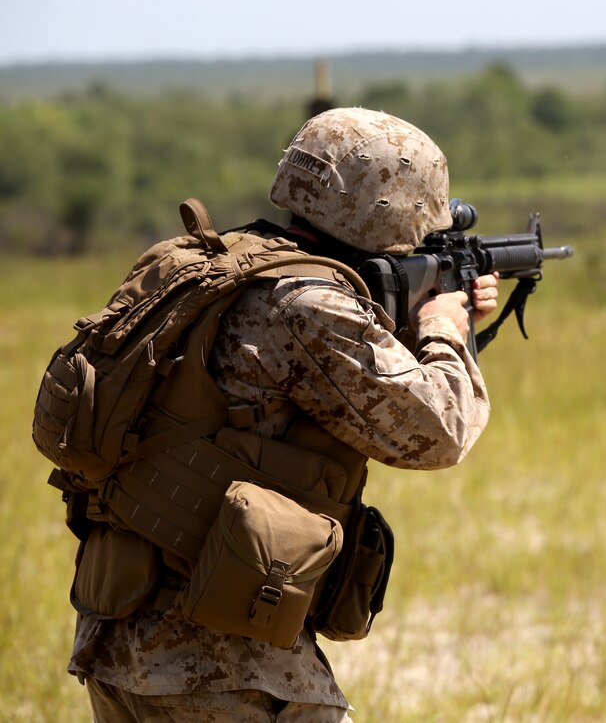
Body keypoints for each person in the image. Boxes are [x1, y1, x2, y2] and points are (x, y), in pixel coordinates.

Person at [68, 108, 499, 721]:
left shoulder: (217, 269)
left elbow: (283, 394)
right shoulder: (312, 304)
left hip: (122, 630)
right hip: (219, 659)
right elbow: (437, 433)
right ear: (391, 208)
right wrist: (444, 332)